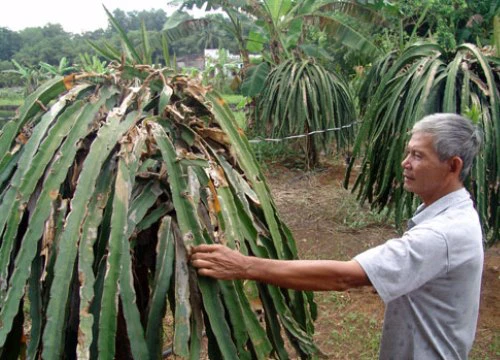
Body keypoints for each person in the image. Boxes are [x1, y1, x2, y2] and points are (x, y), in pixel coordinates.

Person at [190, 113, 484, 359]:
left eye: (418, 156)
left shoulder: (442, 234)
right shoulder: (451, 214)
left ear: (453, 165)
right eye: (408, 152)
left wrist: (244, 266)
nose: (405, 162)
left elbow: (344, 277)